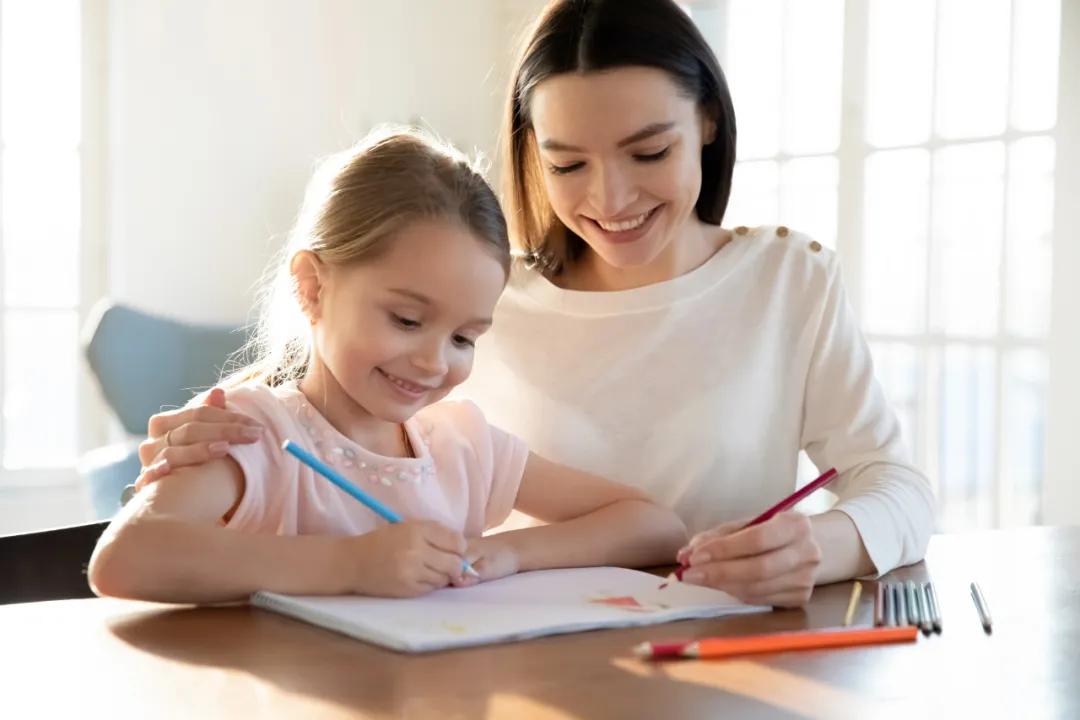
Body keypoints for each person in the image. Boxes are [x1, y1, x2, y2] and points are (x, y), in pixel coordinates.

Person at [133, 0, 934, 608]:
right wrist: (201, 428)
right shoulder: (480, 294)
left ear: (709, 123)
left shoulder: (791, 280)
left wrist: (820, 544)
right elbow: (332, 391)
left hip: (727, 654)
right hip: (499, 661)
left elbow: (894, 484)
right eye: (567, 164)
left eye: (648, 151)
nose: (609, 199)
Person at [87, 128, 687, 604]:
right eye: (406, 320)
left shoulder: (461, 448)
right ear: (312, 287)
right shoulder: (256, 434)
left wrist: (504, 553)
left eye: (463, 337)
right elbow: (125, 559)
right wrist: (351, 564)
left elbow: (654, 525)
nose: (433, 361)